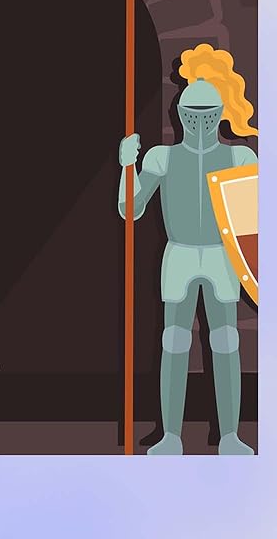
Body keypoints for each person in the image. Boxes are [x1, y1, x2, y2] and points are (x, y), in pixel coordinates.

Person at [118, 44, 257, 455]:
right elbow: (130, 209)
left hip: (221, 255)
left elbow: (254, 222)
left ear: (219, 113)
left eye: (207, 113)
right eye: (193, 113)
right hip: (179, 255)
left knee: (226, 341)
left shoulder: (239, 156)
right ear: (180, 114)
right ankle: (171, 436)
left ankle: (230, 435)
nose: (200, 121)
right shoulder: (162, 158)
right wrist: (128, 167)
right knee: (174, 342)